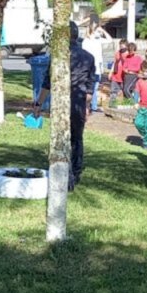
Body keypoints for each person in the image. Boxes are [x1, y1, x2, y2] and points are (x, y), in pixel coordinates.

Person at [34, 21, 97, 191]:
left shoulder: (58, 56)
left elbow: (47, 83)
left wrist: (38, 103)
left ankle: (65, 175)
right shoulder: (89, 57)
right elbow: (90, 86)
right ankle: (75, 173)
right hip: (79, 100)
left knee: (61, 137)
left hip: (62, 101)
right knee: (77, 138)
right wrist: (87, 106)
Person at [133, 60, 147, 149]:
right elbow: (136, 92)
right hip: (142, 107)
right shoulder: (140, 82)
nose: (145, 73)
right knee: (138, 123)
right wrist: (135, 102)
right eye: (143, 71)